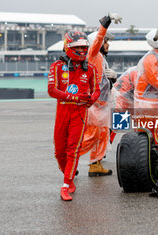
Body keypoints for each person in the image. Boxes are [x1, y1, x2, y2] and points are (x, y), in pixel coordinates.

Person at [48, 31, 100, 201]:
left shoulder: (90, 68)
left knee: (73, 150)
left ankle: (66, 184)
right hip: (63, 111)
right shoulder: (56, 66)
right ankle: (68, 174)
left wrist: (91, 100)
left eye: (84, 47)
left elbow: (96, 90)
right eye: (77, 47)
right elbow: (52, 90)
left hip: (80, 112)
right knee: (59, 152)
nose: (81, 50)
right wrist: (72, 97)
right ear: (68, 47)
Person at [79, 13, 122, 177]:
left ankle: (95, 165)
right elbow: (97, 41)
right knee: (91, 136)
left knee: (101, 136)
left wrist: (113, 78)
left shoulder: (101, 58)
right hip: (94, 105)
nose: (108, 44)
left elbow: (103, 81)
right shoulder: (93, 54)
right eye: (106, 41)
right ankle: (70, 159)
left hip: (103, 104)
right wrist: (106, 23)